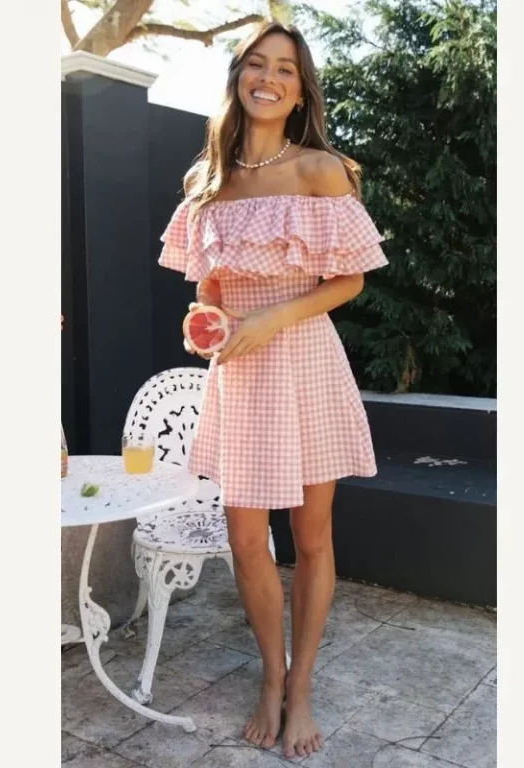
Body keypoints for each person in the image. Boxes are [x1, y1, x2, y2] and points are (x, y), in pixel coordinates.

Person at [158, 21, 388, 760]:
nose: (270, 78)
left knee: (312, 538)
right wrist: (207, 320)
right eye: (257, 64)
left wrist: (270, 319)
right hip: (242, 372)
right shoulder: (206, 183)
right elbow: (209, 289)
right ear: (238, 78)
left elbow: (349, 280)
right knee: (246, 539)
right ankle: (270, 675)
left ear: (300, 91)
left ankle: (302, 688)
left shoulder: (321, 170)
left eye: (286, 69)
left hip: (306, 361)